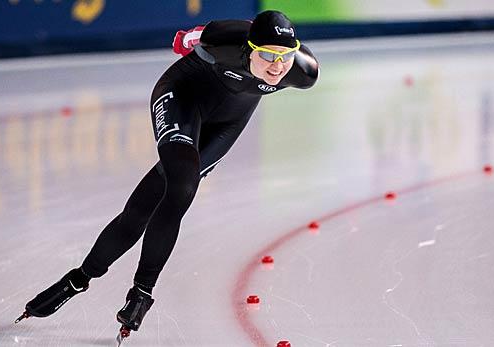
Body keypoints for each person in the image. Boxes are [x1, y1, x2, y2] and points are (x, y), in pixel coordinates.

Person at [16, 9, 319, 338]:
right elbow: (185, 39)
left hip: (227, 123)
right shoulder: (223, 39)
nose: (276, 66)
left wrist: (281, 60)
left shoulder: (302, 72)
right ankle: (142, 292)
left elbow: (285, 63)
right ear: (248, 48)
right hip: (182, 97)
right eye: (267, 56)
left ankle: (77, 279)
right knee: (182, 185)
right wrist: (186, 40)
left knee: (144, 208)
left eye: (284, 57)